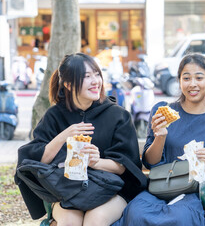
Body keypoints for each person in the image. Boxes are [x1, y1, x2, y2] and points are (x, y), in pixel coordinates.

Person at [15, 53, 147, 226]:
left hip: (112, 191)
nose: (95, 81)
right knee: (70, 222)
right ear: (68, 84)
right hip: (66, 190)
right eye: (87, 76)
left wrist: (96, 162)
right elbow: (38, 159)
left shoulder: (118, 115)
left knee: (95, 220)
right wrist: (64, 136)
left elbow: (126, 166)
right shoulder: (54, 115)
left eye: (97, 74)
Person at [115, 53, 205, 226]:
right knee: (136, 212)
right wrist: (160, 137)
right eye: (186, 78)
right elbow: (149, 163)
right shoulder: (162, 110)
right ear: (179, 81)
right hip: (159, 187)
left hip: (195, 192)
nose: (192, 84)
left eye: (199, 78)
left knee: (179, 217)